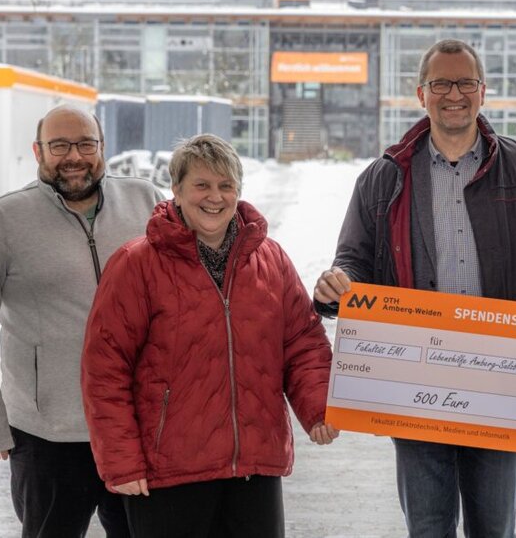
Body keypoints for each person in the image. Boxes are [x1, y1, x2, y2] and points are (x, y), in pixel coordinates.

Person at [314, 38, 516, 538]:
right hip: (415, 386)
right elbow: (353, 259)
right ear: (422, 93)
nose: (453, 94)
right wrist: (341, 284)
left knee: (494, 526)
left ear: (483, 92)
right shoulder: (383, 178)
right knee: (428, 526)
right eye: (441, 83)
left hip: (502, 383)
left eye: (464, 82)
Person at [81, 133, 336, 538]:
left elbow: (302, 342)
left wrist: (317, 406)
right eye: (201, 185)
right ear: (177, 191)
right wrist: (122, 462)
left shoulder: (271, 260)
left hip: (254, 466)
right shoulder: (136, 264)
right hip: (170, 472)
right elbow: (105, 370)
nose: (213, 197)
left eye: (225, 185)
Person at [0, 105, 164, 538]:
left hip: (135, 426)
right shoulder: (3, 220)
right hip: (47, 434)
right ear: (38, 151)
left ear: (102, 148)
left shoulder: (147, 202)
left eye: (86, 143)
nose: (74, 156)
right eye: (59, 145)